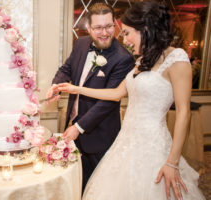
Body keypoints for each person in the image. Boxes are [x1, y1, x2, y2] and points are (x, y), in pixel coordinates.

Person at [58, 1, 205, 200]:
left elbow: (183, 113)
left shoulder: (176, 58)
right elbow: (116, 93)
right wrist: (76, 88)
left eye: (126, 32)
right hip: (125, 142)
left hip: (152, 144)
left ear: (144, 29)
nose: (124, 39)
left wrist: (172, 162)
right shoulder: (142, 60)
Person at [45, 3, 134, 192]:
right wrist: (56, 86)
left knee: (99, 189)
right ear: (88, 28)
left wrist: (79, 127)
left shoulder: (123, 58)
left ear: (115, 24)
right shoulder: (81, 44)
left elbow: (108, 102)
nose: (104, 33)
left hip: (100, 137)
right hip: (73, 129)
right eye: (98, 28)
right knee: (75, 184)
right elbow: (66, 69)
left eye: (109, 26)